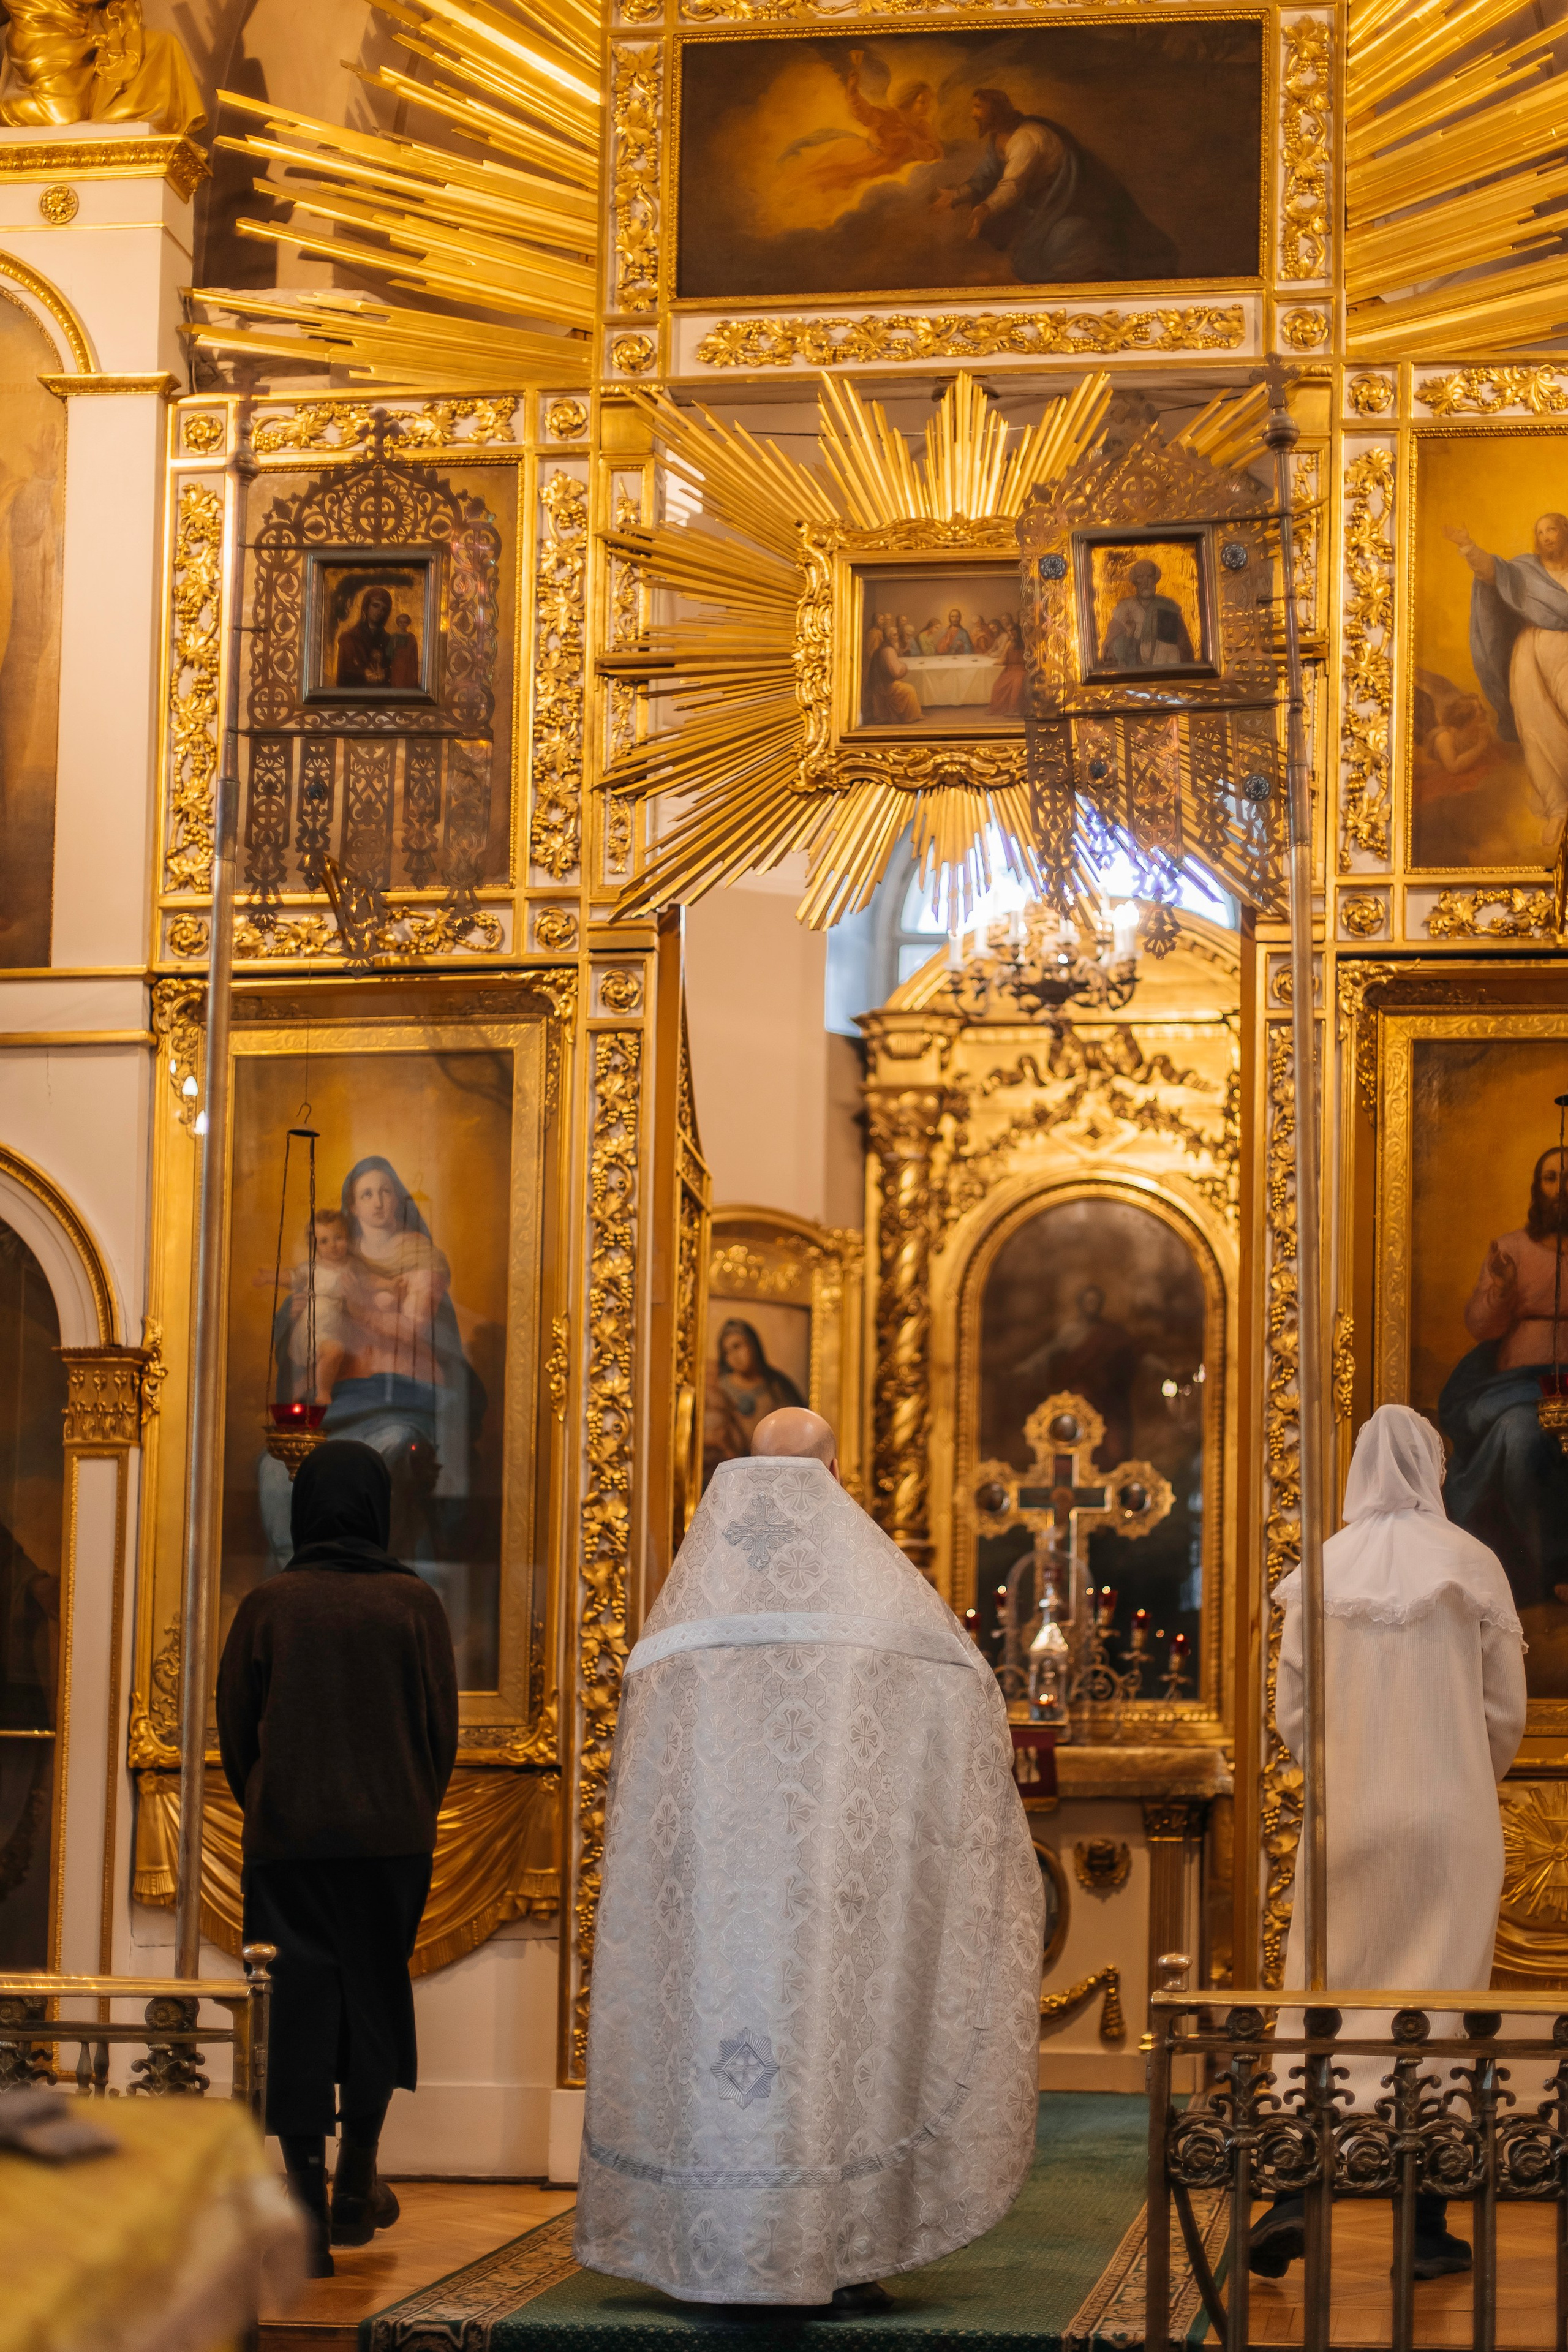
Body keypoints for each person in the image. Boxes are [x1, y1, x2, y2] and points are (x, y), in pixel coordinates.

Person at [576, 1406, 1043, 2307]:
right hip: (841, 1895)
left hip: (712, 1907)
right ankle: (838, 2250)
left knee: (714, 2035)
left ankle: (706, 2247)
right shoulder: (887, 1612)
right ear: (835, 1476)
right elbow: (966, 1702)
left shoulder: (676, 1631)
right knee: (837, 2045)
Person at [1251, 1405, 1526, 2284]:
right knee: (1437, 2012)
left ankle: (1296, 2191)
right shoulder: (1472, 1564)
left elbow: (1293, 1719)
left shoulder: (1320, 1572)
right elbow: (1503, 1714)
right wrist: (1457, 1774)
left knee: (1325, 1999)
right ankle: (1425, 2228)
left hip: (1350, 1818)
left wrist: (1348, 1773)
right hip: (1450, 1822)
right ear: (1434, 1470)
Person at [217, 1441, 458, 2275]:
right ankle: (357, 2179)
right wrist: (405, 1807)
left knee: (295, 2014)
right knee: (374, 1998)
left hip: (288, 1840)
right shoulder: (413, 1605)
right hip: (392, 1842)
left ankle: (305, 2217)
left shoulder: (269, 1605)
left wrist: (274, 1803)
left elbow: (234, 1728)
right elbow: (441, 1734)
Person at [1441, 1144, 1568, 1613]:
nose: (1561, 1188)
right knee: (1518, 1434)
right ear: (1539, 1188)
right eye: (1552, 1178)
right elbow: (1481, 1327)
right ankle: (1537, 1569)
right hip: (1516, 1387)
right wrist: (1502, 1288)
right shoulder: (1510, 1249)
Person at [932, 88, 1177, 284]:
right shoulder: (1000, 136)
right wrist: (956, 195)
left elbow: (1012, 186)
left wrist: (986, 208)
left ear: (995, 111)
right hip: (1043, 203)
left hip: (1073, 202)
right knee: (1032, 254)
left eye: (978, 108)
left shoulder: (1026, 139)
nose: (973, 114)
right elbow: (986, 175)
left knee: (1043, 258)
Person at [1446, 511, 1568, 851]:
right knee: (1536, 728)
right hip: (1530, 656)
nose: (1545, 537)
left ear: (1565, 533)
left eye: (1552, 530)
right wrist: (1469, 547)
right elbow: (1493, 572)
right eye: (1540, 532)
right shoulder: (1526, 571)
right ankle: (1558, 808)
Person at [702, 1316, 806, 1483]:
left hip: (774, 1477)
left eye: (738, 1346)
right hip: (730, 1478)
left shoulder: (778, 1386)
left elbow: (799, 1435)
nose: (734, 1356)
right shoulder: (719, 1387)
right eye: (727, 1352)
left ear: (753, 1344)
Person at [1100, 559, 1196, 669]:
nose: (1145, 583)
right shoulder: (1123, 610)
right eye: (1140, 577)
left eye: (1149, 577)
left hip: (1164, 675)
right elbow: (1110, 656)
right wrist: (1129, 634)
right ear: (1135, 581)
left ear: (1155, 580)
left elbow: (1185, 652)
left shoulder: (1169, 607)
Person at [336, 586, 421, 690]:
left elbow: (397, 671)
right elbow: (343, 678)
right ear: (366, 607)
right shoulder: (349, 639)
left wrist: (386, 673)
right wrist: (364, 674)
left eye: (384, 609)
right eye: (375, 605)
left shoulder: (389, 640)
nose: (379, 611)